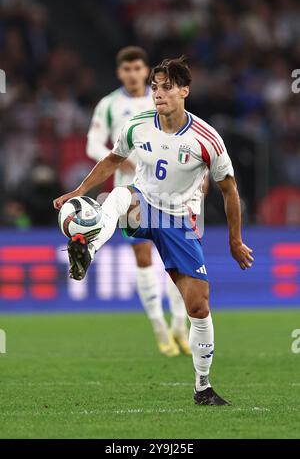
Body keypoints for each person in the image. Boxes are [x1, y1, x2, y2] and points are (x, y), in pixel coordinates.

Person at [54, 56, 254, 405]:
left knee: (199, 307)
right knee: (119, 193)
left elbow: (229, 190)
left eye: (167, 87)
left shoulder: (207, 139)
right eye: (155, 87)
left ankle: (202, 387)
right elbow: (113, 161)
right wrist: (78, 192)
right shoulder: (137, 125)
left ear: (184, 91)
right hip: (143, 205)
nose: (158, 93)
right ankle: (87, 250)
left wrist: (235, 240)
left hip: (179, 221)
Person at [86, 46, 190, 357]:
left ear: (146, 71)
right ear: (120, 73)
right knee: (144, 259)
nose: (132, 74)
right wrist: (117, 160)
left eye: (137, 69)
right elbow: (92, 142)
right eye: (126, 69)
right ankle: (160, 327)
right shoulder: (109, 105)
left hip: (170, 190)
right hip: (129, 193)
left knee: (176, 261)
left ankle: (180, 327)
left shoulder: (160, 97)